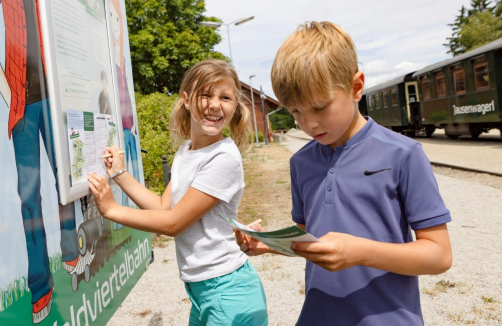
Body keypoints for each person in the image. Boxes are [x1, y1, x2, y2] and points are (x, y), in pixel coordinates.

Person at [235, 21, 452, 325]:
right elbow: (312, 241)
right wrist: (269, 244)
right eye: (295, 112)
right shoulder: (301, 163)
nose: (308, 124)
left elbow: (439, 255)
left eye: (320, 108)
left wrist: (361, 252)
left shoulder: (403, 154)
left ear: (356, 87)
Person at [88, 59, 268, 326]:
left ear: (234, 107)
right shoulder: (186, 151)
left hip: (228, 292)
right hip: (202, 291)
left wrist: (113, 209)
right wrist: (120, 174)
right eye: (206, 94)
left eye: (225, 97)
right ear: (186, 99)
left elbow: (173, 223)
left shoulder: (224, 157)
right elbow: (163, 207)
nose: (215, 104)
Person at [3, 0, 79, 323]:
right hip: (22, 105)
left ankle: (71, 250)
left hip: (54, 96)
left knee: (65, 177)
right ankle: (40, 287)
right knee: (29, 197)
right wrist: (8, 94)